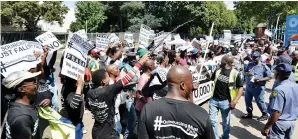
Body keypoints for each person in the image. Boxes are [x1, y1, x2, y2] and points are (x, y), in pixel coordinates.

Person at [138, 65, 215, 139]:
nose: (192, 86)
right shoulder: (201, 115)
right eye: (191, 83)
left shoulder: (148, 109)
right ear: (183, 85)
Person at [86, 54, 149, 139]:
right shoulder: (108, 91)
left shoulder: (90, 92)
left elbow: (88, 107)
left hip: (96, 132)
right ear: (103, 81)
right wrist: (141, 62)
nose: (109, 77)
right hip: (108, 134)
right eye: (107, 76)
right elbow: (127, 77)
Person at [209, 55, 243, 139]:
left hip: (226, 102)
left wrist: (235, 101)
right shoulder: (218, 70)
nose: (220, 61)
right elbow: (211, 79)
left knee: (226, 122)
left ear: (226, 62)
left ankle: (225, 137)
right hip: (214, 100)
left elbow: (240, 88)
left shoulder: (235, 73)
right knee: (212, 121)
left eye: (222, 60)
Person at [262, 63, 298, 139]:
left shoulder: (278, 90)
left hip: (279, 124)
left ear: (278, 74)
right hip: (291, 122)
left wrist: (267, 127)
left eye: (275, 72)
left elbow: (276, 112)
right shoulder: (296, 86)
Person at [2, 71, 42, 139]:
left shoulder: (24, 104)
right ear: (21, 89)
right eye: (34, 82)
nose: (37, 84)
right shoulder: (22, 118)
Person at [242, 51, 272, 121]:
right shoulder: (250, 64)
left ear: (259, 57)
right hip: (249, 87)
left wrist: (260, 79)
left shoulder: (263, 66)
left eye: (255, 57)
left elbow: (270, 77)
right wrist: (247, 73)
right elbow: (244, 72)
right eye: (253, 57)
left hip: (258, 88)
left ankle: (265, 114)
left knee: (260, 101)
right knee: (247, 101)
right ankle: (249, 113)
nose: (254, 59)